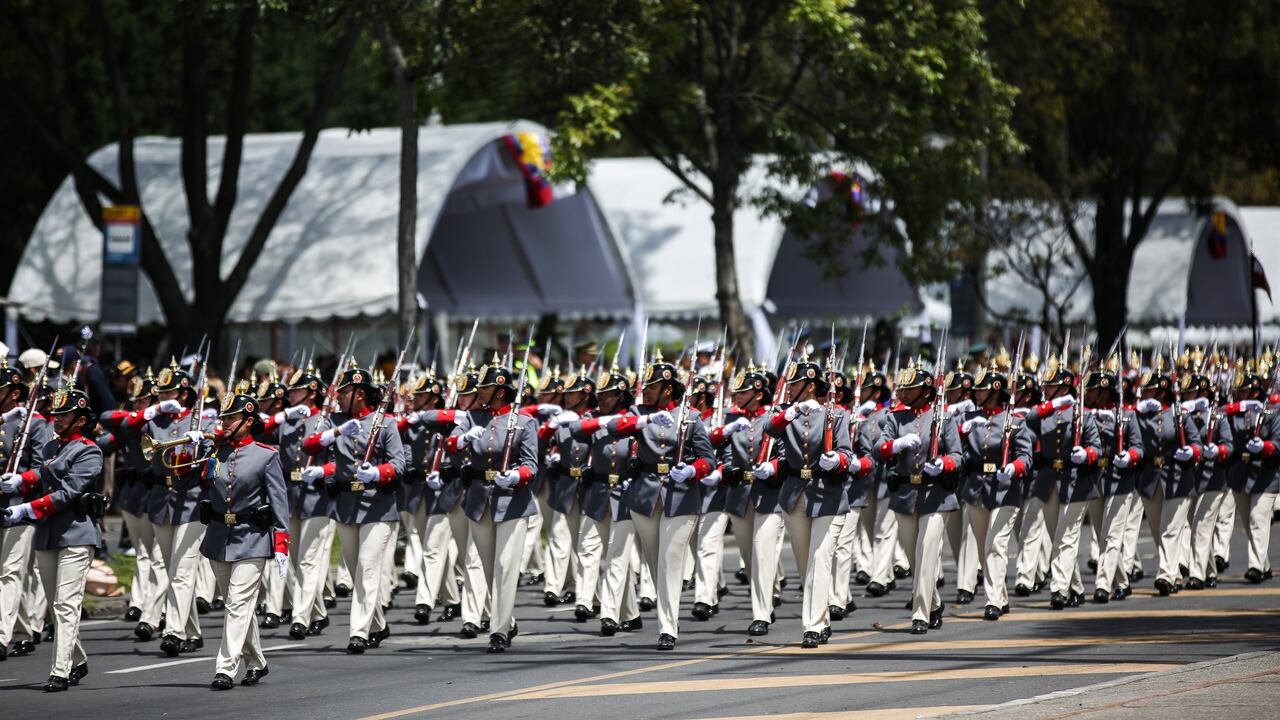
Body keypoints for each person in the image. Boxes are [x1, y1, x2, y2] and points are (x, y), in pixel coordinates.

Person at [598, 351, 715, 650]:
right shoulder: (639, 413)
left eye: (651, 387)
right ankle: (667, 619)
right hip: (645, 493)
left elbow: (707, 460)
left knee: (670, 561)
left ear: (667, 388)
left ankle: (668, 628)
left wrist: (691, 470)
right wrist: (644, 419)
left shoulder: (690, 417)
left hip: (681, 494)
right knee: (654, 562)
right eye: (644, 386)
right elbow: (613, 428)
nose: (645, 390)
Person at [754, 357, 868, 648]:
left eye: (795, 384)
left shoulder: (836, 415)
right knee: (806, 565)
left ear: (811, 385)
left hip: (827, 494)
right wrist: (792, 410)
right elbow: (769, 427)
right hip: (794, 494)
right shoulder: (786, 412)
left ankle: (813, 627)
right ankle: (822, 617)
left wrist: (837, 461)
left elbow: (847, 454)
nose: (789, 388)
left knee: (819, 559)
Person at [2, 388, 103, 692]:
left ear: (81, 420)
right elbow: (43, 474)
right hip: (48, 534)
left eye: (64, 415)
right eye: (56, 415)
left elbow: (67, 492)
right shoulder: (50, 448)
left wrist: (26, 507)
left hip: (76, 533)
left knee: (65, 604)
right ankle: (78, 660)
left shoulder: (89, 450)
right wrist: (20, 480)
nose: (57, 420)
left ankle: (60, 671)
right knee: (57, 606)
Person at [303, 362, 404, 654]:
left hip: (378, 506)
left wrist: (377, 472)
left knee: (367, 569)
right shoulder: (334, 420)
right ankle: (378, 625)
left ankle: (358, 632)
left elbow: (399, 464)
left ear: (360, 394)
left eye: (345, 392)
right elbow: (309, 446)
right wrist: (334, 434)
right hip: (346, 505)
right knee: (355, 566)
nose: (339, 397)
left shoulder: (385, 423)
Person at [196, 387, 290, 690]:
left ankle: (225, 668)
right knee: (238, 606)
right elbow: (199, 483)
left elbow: (279, 500)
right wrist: (196, 451)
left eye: (231, 418)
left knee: (238, 603)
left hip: (253, 538)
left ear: (248, 420)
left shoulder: (266, 456)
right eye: (223, 418)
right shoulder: (217, 452)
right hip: (219, 537)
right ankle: (257, 661)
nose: (224, 423)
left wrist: (281, 542)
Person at [452, 356, 540, 653]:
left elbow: (531, 465)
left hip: (512, 501)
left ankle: (499, 631)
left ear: (499, 390)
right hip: (479, 498)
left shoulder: (525, 421)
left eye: (485, 387)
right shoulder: (472, 417)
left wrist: (515, 475)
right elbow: (450, 445)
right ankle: (507, 619)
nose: (479, 391)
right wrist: (464, 439)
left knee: (505, 566)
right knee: (490, 569)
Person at [877, 360, 963, 635]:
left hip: (935, 495)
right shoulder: (895, 417)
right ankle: (934, 603)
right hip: (905, 494)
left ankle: (920, 614)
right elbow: (879, 447)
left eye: (910, 388)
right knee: (915, 560)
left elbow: (957, 456)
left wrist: (944, 464)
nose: (903, 391)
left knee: (926, 553)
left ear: (926, 391)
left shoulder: (944, 418)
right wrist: (896, 445)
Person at [955, 362, 1033, 620]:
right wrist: (960, 431)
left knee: (995, 546)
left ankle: (992, 602)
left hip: (1004, 489)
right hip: (976, 487)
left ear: (995, 391)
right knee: (982, 549)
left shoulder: (1015, 421)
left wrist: (1013, 467)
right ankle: (1001, 596)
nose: (976, 394)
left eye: (981, 390)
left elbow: (1026, 457)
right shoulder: (969, 419)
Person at [1133, 360, 1204, 596]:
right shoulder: (1141, 415)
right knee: (1156, 529)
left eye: (1150, 390)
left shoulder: (1179, 415)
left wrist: (1190, 452)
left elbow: (1197, 445)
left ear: (1162, 391)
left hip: (1177, 477)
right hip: (1151, 478)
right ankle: (1173, 574)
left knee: (1169, 529)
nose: (1146, 395)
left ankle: (1164, 574)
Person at [0, 359, 54, 661]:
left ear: (15, 394)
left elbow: (44, 468)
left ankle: (2, 635)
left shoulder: (33, 425)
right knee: (8, 573)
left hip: (17, 507)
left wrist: (20, 481)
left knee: (10, 572)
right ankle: (21, 630)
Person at [1223, 363, 1279, 584]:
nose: (1239, 395)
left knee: (1258, 518)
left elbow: (1278, 442)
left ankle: (1255, 566)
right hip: (1240, 474)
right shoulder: (1235, 413)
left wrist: (1265, 447)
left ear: (1255, 391)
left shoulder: (1272, 412)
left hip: (1266, 474)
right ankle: (1263, 565)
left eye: (1244, 391)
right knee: (1248, 522)